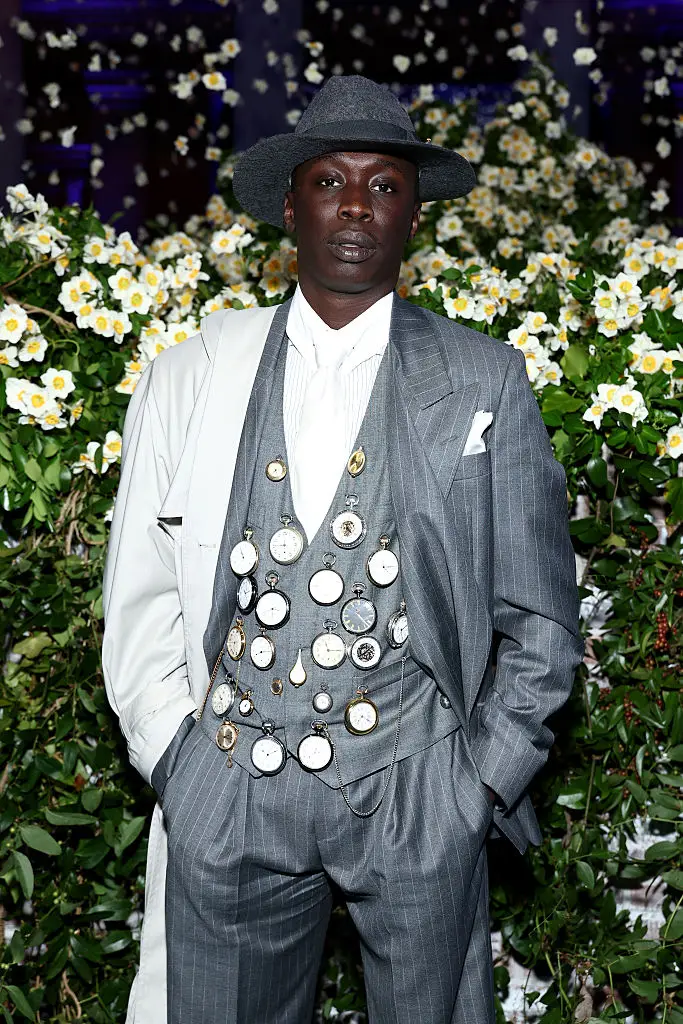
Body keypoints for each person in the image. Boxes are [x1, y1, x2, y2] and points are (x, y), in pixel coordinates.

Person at [101, 74, 585, 1024]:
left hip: (416, 791)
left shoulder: (486, 379)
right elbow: (141, 590)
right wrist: (178, 769)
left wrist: (474, 784)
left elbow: (540, 621)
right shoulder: (197, 369)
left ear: (414, 216)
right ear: (290, 204)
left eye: (385, 184)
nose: (357, 204)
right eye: (331, 181)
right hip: (230, 782)